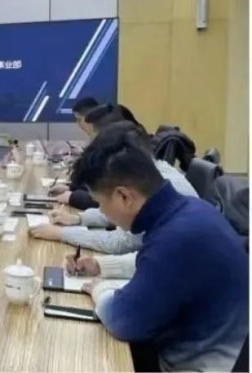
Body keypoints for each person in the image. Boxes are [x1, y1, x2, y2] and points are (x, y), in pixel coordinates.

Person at [69, 126, 248, 372]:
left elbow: (123, 320)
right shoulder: (191, 210)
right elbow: (157, 263)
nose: (101, 211)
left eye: (100, 202)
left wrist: (100, 289)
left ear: (124, 197)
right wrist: (101, 265)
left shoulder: (174, 238)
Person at [30, 122, 199, 254]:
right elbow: (119, 210)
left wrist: (60, 233)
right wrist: (78, 219)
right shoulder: (152, 174)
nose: (102, 209)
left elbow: (120, 242)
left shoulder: (158, 194)